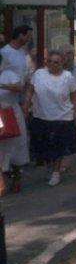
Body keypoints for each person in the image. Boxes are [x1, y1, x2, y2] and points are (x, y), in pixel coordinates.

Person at [23, 49, 76, 187]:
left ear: (62, 63)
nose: (52, 64)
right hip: (41, 115)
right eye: (49, 61)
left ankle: (56, 172)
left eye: (56, 62)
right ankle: (51, 168)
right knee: (44, 145)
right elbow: (30, 90)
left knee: (58, 147)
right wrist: (26, 104)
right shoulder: (39, 74)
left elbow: (74, 95)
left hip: (62, 117)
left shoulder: (67, 77)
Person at [0, 53, 29, 194]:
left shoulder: (9, 74)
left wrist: (2, 85)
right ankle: (2, 182)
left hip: (10, 112)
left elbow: (19, 87)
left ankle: (17, 177)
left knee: (15, 145)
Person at [0, 25, 32, 103]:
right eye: (28, 36)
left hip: (20, 93)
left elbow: (24, 72)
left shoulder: (22, 52)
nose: (29, 39)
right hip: (6, 94)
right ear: (21, 35)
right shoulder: (4, 52)